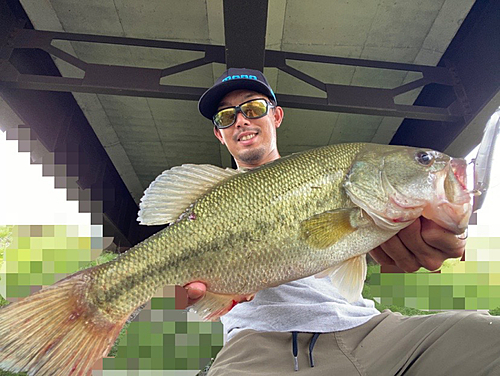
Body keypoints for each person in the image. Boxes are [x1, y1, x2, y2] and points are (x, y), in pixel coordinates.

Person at [181, 68, 499, 375]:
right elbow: (180, 293)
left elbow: (417, 244)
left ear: (275, 116)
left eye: (253, 108)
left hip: (369, 332)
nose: (241, 121)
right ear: (219, 134)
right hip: (257, 346)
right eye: (226, 116)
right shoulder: (204, 211)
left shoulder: (339, 181)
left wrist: (441, 230)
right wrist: (183, 293)